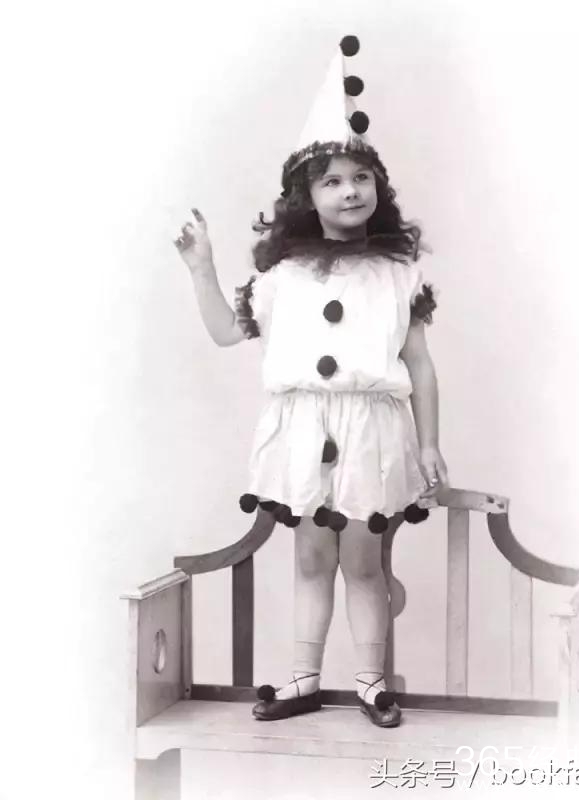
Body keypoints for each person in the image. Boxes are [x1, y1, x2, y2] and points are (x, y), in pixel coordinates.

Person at [174, 36, 448, 729]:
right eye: (331, 181)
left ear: (378, 188)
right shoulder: (281, 276)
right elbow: (226, 332)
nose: (350, 190)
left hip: (371, 430)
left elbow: (419, 364)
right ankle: (303, 680)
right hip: (304, 430)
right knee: (309, 558)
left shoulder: (398, 274)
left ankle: (370, 684)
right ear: (307, 197)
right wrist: (202, 269)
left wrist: (429, 444)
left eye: (361, 177)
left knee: (364, 563)